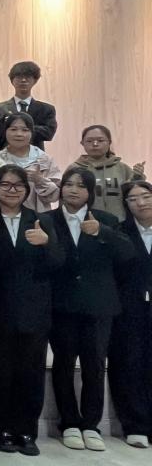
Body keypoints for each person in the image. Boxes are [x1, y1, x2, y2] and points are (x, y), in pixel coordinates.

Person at [46, 167, 133, 452]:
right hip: (62, 306)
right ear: (61, 189)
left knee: (94, 365)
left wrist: (101, 232)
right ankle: (69, 422)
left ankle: (91, 424)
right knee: (63, 364)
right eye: (68, 184)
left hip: (98, 306)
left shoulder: (106, 220)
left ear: (90, 192)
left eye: (81, 186)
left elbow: (127, 254)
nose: (73, 190)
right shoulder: (46, 220)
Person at [0, 165, 64, 456]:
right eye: (5, 184)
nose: (12, 190)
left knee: (31, 373)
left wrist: (47, 243)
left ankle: (27, 430)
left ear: (26, 191)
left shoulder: (41, 221)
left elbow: (58, 263)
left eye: (18, 185)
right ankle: (2, 429)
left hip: (34, 311)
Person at [109, 180, 152, 448]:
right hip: (129, 309)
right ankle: (135, 425)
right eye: (133, 199)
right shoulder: (119, 232)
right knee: (130, 363)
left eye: (145, 196)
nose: (141, 203)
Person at [70, 125, 145, 220]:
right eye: (89, 141)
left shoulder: (122, 168)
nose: (95, 144)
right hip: (85, 222)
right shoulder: (74, 169)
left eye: (100, 140)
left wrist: (138, 177)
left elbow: (135, 193)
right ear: (82, 143)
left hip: (120, 221)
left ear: (109, 142)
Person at [0, 112, 62, 212]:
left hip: (38, 216)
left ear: (32, 133)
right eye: (13, 129)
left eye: (25, 130)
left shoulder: (44, 159)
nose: (19, 134)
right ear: (5, 131)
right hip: (5, 215)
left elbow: (56, 195)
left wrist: (40, 180)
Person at [0, 61, 57, 150]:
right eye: (19, 77)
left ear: (35, 81)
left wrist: (16, 128)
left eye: (28, 77)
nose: (23, 80)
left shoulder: (46, 109)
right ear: (12, 81)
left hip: (36, 155)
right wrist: (31, 129)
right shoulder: (0, 108)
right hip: (7, 154)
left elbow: (48, 134)